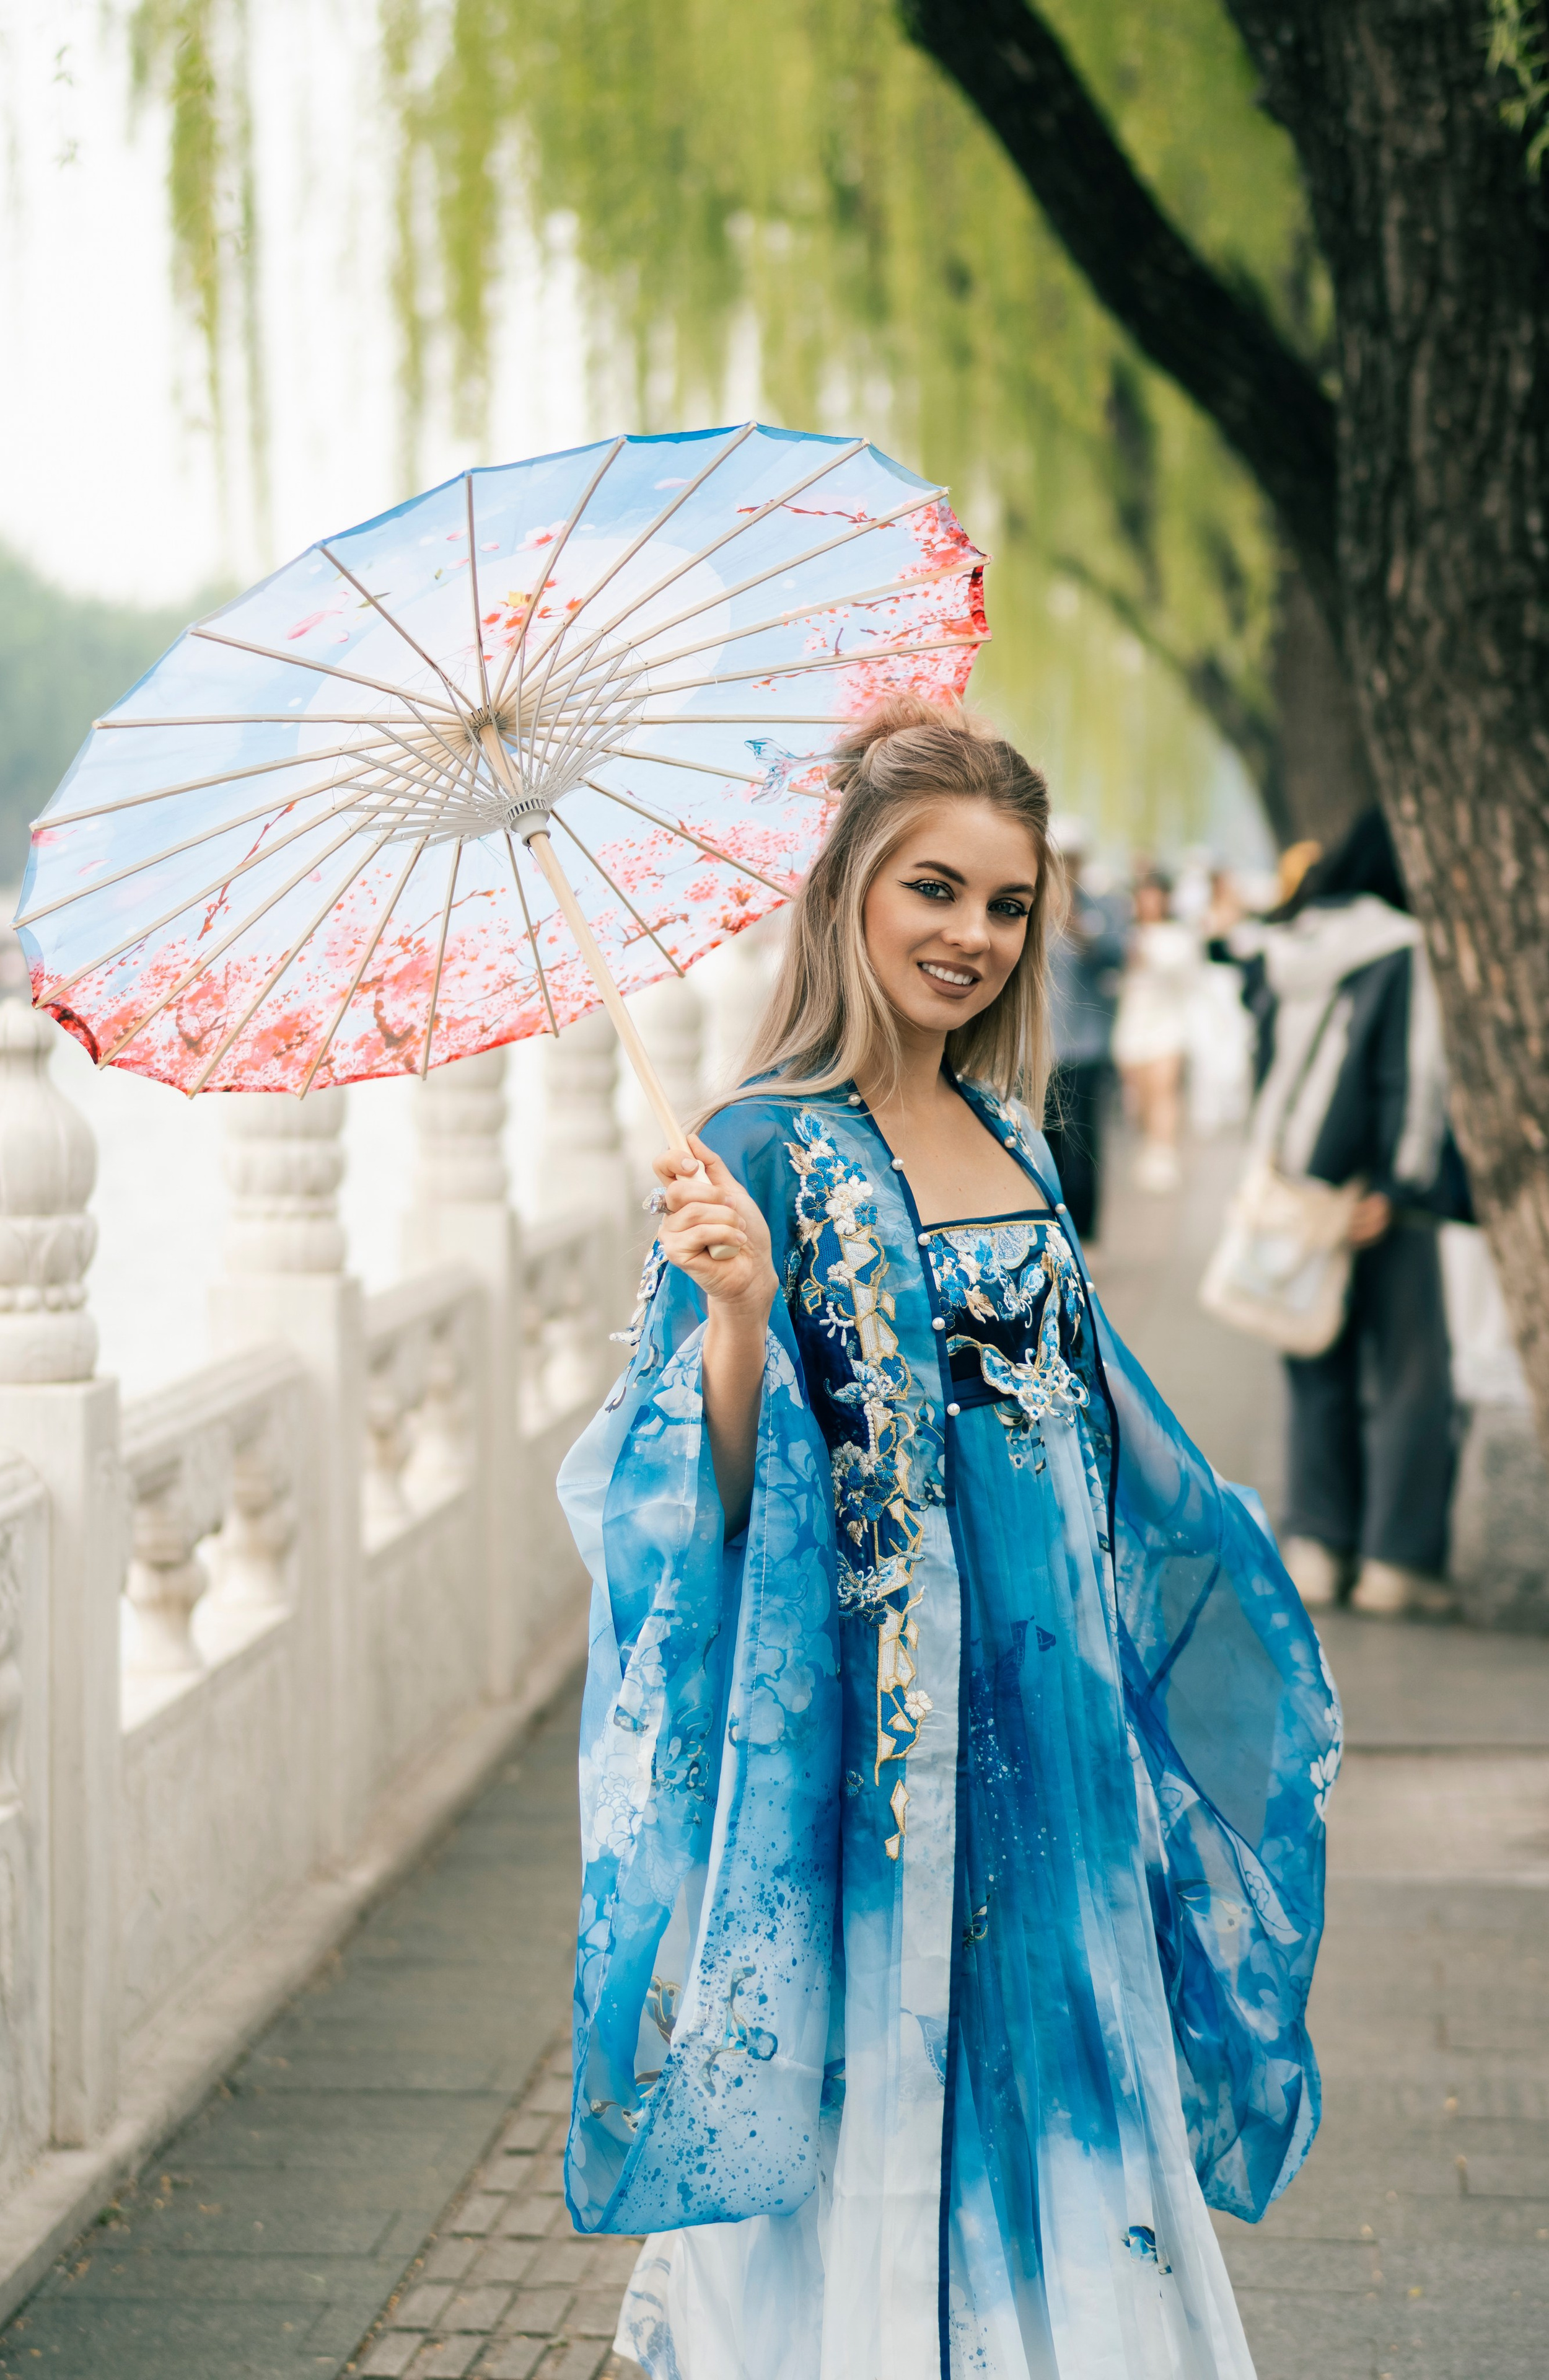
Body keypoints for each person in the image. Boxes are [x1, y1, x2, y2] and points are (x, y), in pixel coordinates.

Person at [558, 697, 1338, 2380]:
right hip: (878, 1748)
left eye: (1006, 905)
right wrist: (745, 1320)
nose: (972, 937)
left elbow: (1092, 1437)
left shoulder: (1005, 1132)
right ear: (845, 887)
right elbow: (692, 1516)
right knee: (890, 2074)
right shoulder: (755, 1147)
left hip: (1053, 1723)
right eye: (935, 890)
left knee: (1066, 2060)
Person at [1229, 808, 1472, 1619]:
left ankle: (1318, 1549)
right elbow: (1414, 1074)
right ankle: (1395, 1565)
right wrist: (1402, 1187)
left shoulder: (1289, 941)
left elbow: (1262, 1060)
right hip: (1374, 1194)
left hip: (1296, 1185)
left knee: (1314, 1359)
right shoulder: (1399, 945)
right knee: (1411, 1376)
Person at [1042, 816, 1123, 1241]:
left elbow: (1120, 955)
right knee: (1044, 1141)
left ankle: (1087, 1231)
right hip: (1036, 1049)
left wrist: (1077, 923)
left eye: (1069, 859)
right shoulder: (1029, 902)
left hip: (1086, 1046)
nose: (1063, 866)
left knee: (1084, 1143)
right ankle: (1053, 1230)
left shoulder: (1100, 905)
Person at [1110, 868, 1202, 1192]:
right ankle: (1149, 1145)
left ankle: (1162, 1154)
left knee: (1163, 1090)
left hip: (1167, 1022)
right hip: (1133, 1023)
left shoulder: (1178, 937)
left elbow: (1188, 977)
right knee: (1138, 1096)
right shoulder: (1125, 933)